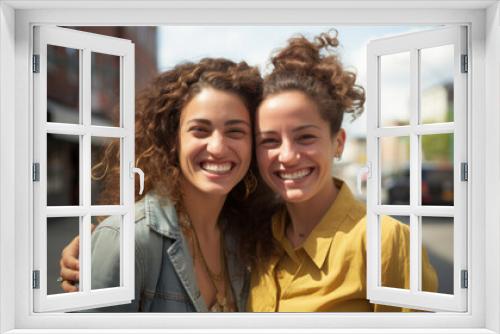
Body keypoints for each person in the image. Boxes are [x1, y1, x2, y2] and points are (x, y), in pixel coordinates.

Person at [59, 57, 276, 312]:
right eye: (200, 130)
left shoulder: (247, 236)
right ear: (173, 139)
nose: (217, 147)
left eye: (235, 131)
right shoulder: (126, 239)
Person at [247, 31, 438, 312]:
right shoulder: (256, 238)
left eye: (305, 137)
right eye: (270, 141)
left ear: (338, 143)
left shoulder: (385, 241)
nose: (287, 156)